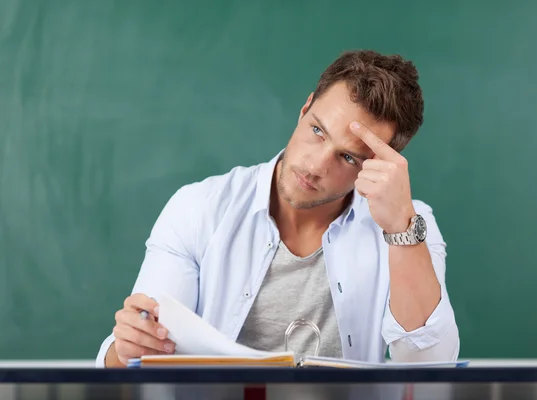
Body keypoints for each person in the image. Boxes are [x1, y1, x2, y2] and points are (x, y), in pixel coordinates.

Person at [96, 49, 460, 368]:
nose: (315, 166)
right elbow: (139, 355)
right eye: (317, 130)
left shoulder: (411, 226)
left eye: (348, 156)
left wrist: (401, 230)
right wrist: (126, 350)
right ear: (304, 110)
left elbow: (429, 368)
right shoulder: (199, 209)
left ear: (380, 164)